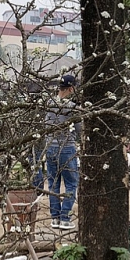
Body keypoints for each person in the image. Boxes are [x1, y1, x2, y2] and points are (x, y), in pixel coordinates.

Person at [45, 74, 82, 229]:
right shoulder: (73, 108)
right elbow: (79, 130)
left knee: (53, 183)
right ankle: (65, 217)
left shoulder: (48, 103)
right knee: (71, 183)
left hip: (50, 147)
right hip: (66, 148)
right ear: (71, 88)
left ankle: (55, 217)